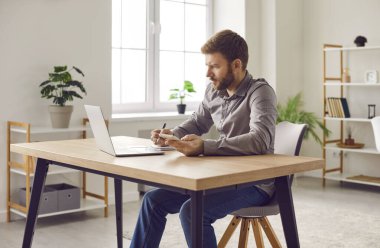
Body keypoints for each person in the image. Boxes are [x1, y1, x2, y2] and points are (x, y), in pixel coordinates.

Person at [130, 29, 277, 248]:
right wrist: (171, 135)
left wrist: (204, 147)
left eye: (215, 66)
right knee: (153, 201)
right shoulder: (213, 91)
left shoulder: (260, 92)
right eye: (207, 65)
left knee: (191, 211)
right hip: (222, 177)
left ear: (237, 64)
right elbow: (198, 122)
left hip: (254, 184)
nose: (208, 73)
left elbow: (260, 139)